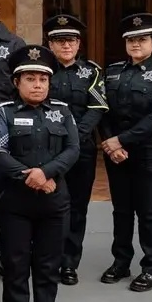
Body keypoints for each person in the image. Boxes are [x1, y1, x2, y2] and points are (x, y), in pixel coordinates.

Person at [0, 46, 78, 302]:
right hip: (16, 204)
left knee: (47, 268)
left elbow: (73, 149)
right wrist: (32, 176)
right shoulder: (3, 112)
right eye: (30, 78)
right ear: (17, 81)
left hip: (54, 204)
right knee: (15, 268)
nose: (37, 84)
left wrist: (47, 172)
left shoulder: (62, 111)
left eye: (42, 78)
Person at [100, 14, 152, 292]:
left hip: (150, 149)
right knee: (121, 210)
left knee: (149, 211)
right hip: (116, 151)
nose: (136, 44)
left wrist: (120, 140)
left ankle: (151, 267)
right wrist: (110, 142)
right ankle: (121, 262)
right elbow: (103, 111)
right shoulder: (113, 71)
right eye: (131, 39)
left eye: (142, 39)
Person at [44, 14, 107, 286]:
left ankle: (69, 263)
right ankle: (46, 260)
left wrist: (74, 140)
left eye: (70, 40)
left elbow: (96, 109)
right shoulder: (41, 70)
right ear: (50, 44)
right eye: (59, 41)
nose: (66, 46)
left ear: (79, 43)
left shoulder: (92, 71)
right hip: (47, 150)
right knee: (47, 205)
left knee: (77, 207)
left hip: (81, 150)